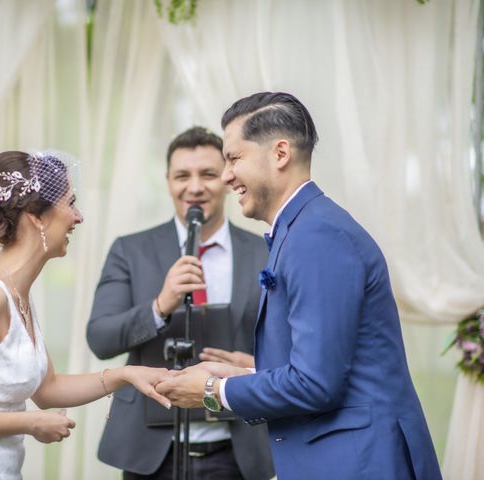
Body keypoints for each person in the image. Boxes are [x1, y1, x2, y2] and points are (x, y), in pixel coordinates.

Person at [156, 93, 443, 480]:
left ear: (279, 154)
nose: (225, 176)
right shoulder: (301, 229)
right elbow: (332, 361)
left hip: (358, 462)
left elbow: (316, 384)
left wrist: (213, 391)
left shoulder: (316, 236)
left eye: (234, 158)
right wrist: (247, 372)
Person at [0, 150, 172, 480]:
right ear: (36, 216)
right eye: (70, 203)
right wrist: (30, 422)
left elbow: (47, 389)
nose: (78, 217)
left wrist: (125, 377)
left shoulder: (18, 293)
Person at [86, 127, 274, 480]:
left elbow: (294, 344)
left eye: (207, 174)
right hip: (151, 451)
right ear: (168, 181)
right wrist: (160, 305)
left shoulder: (265, 250)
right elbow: (100, 338)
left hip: (238, 450)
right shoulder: (130, 250)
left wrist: (258, 365)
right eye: (182, 176)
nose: (195, 187)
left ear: (226, 177)